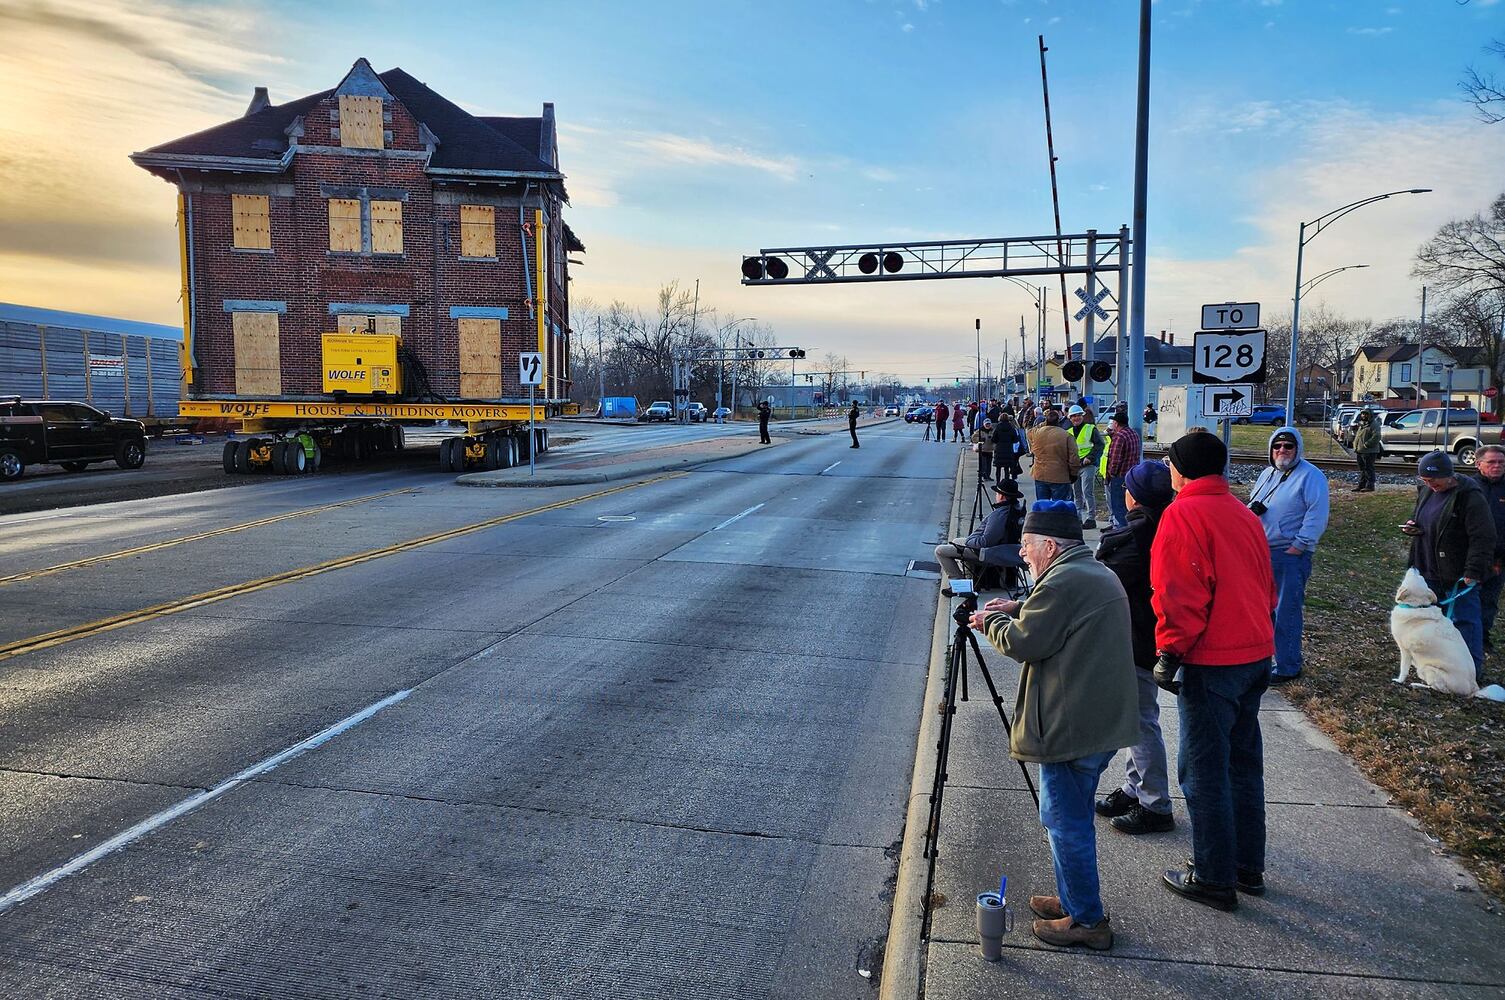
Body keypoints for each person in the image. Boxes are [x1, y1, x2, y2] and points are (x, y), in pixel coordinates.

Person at [969, 500, 1138, 950]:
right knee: (1070, 816)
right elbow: (1060, 613)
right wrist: (1023, 603)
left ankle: (1086, 920)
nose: (1022, 553)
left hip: (1071, 725)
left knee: (1066, 823)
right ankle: (1072, 899)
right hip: (1095, 720)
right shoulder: (1088, 571)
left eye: (1026, 545)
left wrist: (994, 619)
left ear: (1049, 544)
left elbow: (1026, 642)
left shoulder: (1063, 582)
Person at [1152, 431, 1277, 912]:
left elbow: (1178, 593)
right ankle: (1247, 866)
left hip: (1213, 658)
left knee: (1203, 770)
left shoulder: (1182, 513)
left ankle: (1212, 875)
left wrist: (1170, 653)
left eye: (1170, 463)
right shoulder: (1243, 513)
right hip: (1254, 652)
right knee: (1242, 764)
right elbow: (1266, 585)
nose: (1168, 471)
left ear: (1182, 468)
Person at [1095, 460, 1177, 835]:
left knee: (1141, 721)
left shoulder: (1133, 541)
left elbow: (1105, 587)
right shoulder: (1166, 526)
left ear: (1135, 497)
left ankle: (1155, 803)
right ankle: (1135, 787)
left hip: (1136, 639)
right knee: (1137, 718)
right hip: (1145, 637)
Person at [1403, 450, 1496, 684]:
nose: (1429, 484)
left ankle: (1471, 672)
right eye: (1424, 480)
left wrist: (1473, 571)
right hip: (1427, 567)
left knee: (1465, 622)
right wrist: (1413, 525)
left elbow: (1483, 536)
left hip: (1458, 574)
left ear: (1449, 475)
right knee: (1434, 625)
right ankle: (1441, 666)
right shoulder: (1426, 490)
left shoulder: (1469, 496)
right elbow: (1422, 517)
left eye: (1433, 480)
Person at [1249, 427, 1330, 685]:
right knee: (1262, 610)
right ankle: (1264, 659)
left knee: (1286, 611)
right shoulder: (1267, 474)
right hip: (1263, 552)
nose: (1282, 451)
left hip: (1289, 554)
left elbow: (1317, 514)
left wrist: (1300, 545)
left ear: (1298, 450)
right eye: (1277, 447)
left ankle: (1288, 665)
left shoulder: (1311, 477)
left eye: (1288, 447)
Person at [935, 479, 1025, 584]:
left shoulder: (1000, 515)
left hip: (988, 553)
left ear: (1001, 496)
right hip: (1006, 549)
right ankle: (969, 579)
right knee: (956, 541)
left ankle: (960, 584)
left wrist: (970, 541)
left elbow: (985, 542)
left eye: (997, 493)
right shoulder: (1016, 509)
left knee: (940, 551)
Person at [1475, 445, 1505, 651]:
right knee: (1468, 599)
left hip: (1498, 559)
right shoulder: (1468, 487)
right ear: (1478, 464)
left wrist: (1499, 560)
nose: (1497, 466)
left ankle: (1483, 637)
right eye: (1491, 462)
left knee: (1489, 600)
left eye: (1501, 462)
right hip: (1470, 557)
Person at [1067, 405, 1106, 529]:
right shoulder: (1069, 432)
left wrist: (1090, 457)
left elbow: (1099, 445)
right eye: (1074, 416)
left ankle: (1090, 518)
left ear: (1082, 416)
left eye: (1078, 415)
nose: (1076, 418)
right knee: (1076, 493)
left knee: (1087, 492)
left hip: (1087, 465)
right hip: (1075, 466)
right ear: (1070, 418)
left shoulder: (1090, 429)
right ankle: (1078, 517)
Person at [1103, 411, 1142, 529]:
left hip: (1119, 477)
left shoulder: (1119, 436)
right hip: (1132, 475)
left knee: (1118, 506)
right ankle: (1129, 528)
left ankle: (1122, 530)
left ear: (1116, 423)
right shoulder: (1133, 434)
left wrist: (1111, 474)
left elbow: (1115, 459)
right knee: (1128, 506)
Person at [1028, 411, 1077, 503]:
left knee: (1042, 506)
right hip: (1060, 476)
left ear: (1046, 421)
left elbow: (1029, 432)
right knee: (1060, 507)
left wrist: (1044, 424)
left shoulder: (1036, 433)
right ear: (1058, 421)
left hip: (1040, 475)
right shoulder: (1067, 436)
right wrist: (1073, 474)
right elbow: (1073, 458)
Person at [1351, 410, 1383, 492]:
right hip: (1360, 451)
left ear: (1370, 415)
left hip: (1369, 451)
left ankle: (1370, 486)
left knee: (1369, 469)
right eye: (1362, 414)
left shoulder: (1374, 424)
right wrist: (1355, 446)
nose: (1364, 415)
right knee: (1362, 469)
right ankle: (1361, 485)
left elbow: (1377, 437)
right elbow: (1358, 436)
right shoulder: (1362, 424)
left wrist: (1366, 445)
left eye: (1366, 414)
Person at [993, 412, 1023, 482]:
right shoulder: (1011, 428)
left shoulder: (998, 427)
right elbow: (1015, 439)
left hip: (999, 449)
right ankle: (1006, 482)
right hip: (1008, 449)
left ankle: (998, 482)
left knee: (998, 468)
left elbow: (994, 439)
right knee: (1006, 468)